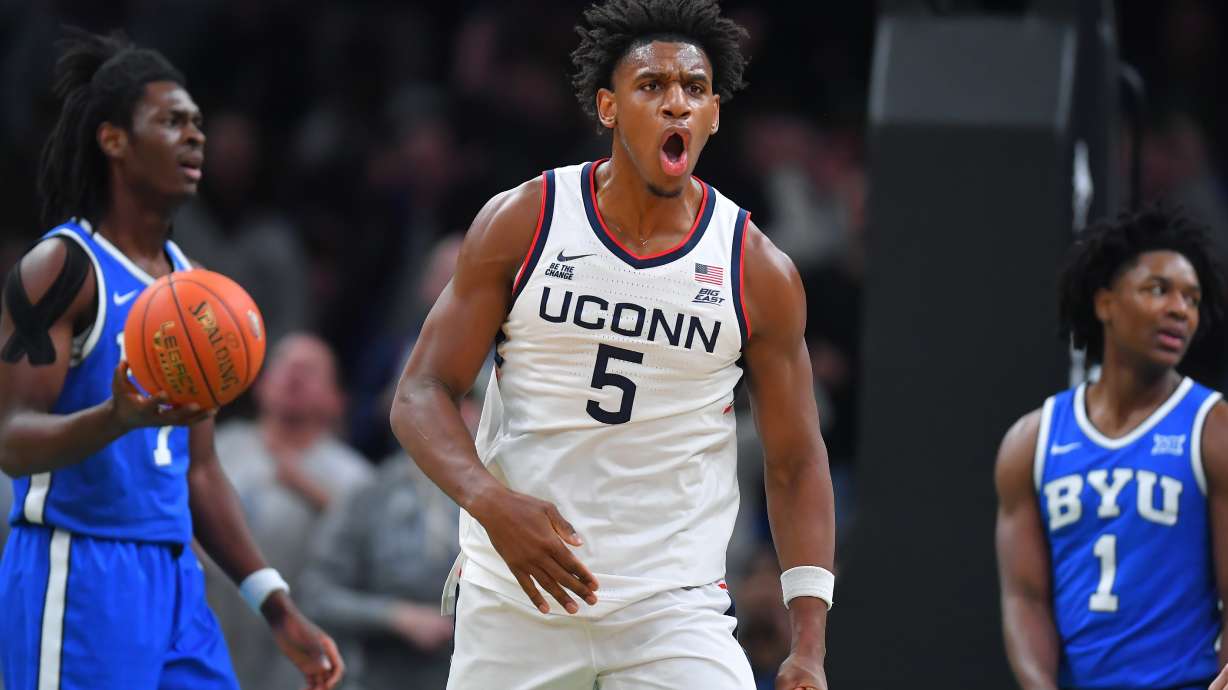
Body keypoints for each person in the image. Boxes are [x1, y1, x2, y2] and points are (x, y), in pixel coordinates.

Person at [389, 1, 836, 689]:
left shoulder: (756, 269)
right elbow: (419, 393)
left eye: (694, 89)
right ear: (607, 106)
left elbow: (797, 462)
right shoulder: (525, 221)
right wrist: (489, 500)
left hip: (672, 609)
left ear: (714, 114)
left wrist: (809, 641)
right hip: (517, 599)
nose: (676, 103)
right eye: (652, 86)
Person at [0, 30, 342, 690]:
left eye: (198, 124)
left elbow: (202, 472)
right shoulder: (62, 268)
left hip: (174, 577)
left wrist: (275, 601)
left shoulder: (195, 289)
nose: (196, 137)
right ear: (114, 140)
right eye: (172, 121)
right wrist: (115, 417)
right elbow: (10, 439)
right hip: (78, 566)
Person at [995, 207, 1228, 690]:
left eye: (1192, 298)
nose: (1179, 309)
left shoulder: (1212, 427)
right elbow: (1024, 597)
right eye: (1158, 289)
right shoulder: (1032, 440)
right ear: (1105, 303)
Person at [204, 332, 372, 690]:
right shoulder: (217, 450)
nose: (294, 374)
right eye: (283, 363)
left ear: (337, 399)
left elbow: (370, 558)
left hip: (299, 653)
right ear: (260, 384)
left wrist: (314, 493)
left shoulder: (355, 477)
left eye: (310, 370)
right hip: (216, 632)